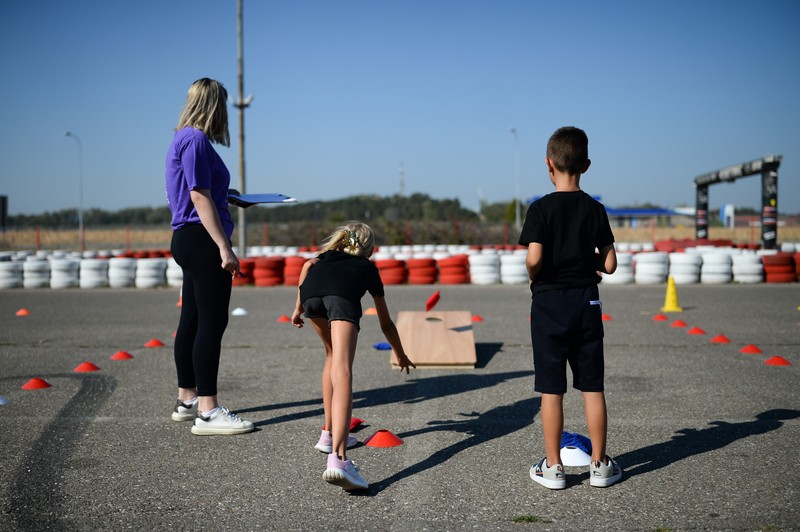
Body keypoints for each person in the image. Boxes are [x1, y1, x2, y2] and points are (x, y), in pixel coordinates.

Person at [518, 126, 622, 489]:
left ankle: (553, 467)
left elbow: (534, 258)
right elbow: (609, 265)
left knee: (552, 388)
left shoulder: (540, 209)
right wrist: (587, 255)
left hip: (548, 303)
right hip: (586, 302)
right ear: (587, 165)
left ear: (549, 164)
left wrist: (535, 274)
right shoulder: (595, 209)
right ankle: (599, 466)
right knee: (592, 386)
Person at [291, 222, 416, 490]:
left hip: (311, 297)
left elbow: (307, 266)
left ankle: (328, 435)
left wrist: (298, 308)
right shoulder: (368, 268)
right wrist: (400, 353)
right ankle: (338, 459)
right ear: (369, 249)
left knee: (331, 357)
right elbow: (386, 323)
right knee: (343, 369)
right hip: (340, 300)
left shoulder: (324, 257)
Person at [165, 78, 253, 436]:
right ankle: (208, 411)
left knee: (192, 320)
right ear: (214, 105)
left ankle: (187, 399)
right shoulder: (197, 141)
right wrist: (224, 247)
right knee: (212, 323)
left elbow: (199, 192)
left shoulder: (182, 138)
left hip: (187, 237)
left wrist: (226, 194)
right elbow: (198, 197)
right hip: (202, 239)